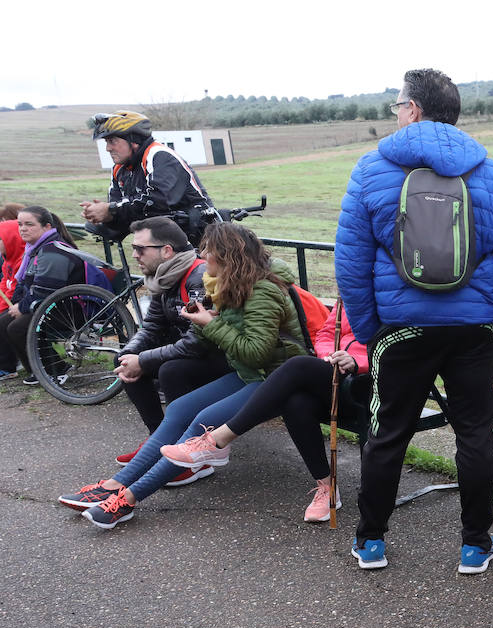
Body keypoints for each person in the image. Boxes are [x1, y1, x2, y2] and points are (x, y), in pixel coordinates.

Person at [336, 68, 493, 572]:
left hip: (400, 329)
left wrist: (369, 330)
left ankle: (371, 541)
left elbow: (351, 262)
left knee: (387, 433)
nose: (397, 113)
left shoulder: (371, 170)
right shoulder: (492, 174)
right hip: (476, 332)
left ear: (415, 109)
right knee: (476, 434)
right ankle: (474, 545)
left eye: (398, 105)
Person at [58, 222, 307, 528]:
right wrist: (200, 322)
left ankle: (128, 500)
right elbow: (206, 340)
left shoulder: (263, 291)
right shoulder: (224, 285)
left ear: (227, 256)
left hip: (275, 379)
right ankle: (114, 484)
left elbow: (256, 352)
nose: (203, 256)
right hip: (249, 374)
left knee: (200, 422)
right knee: (178, 409)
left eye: (208, 251)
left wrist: (210, 324)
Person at [159, 303, 367, 523]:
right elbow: (326, 333)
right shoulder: (349, 293)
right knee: (295, 402)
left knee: (297, 366)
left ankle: (217, 440)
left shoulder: (388, 294)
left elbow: (394, 349)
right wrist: (331, 355)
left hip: (368, 382)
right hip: (336, 373)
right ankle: (327, 487)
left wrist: (356, 362)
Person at [113, 216, 231, 483]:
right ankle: (160, 442)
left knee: (171, 370)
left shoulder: (198, 277)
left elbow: (199, 342)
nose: (135, 255)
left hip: (221, 357)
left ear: (166, 250)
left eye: (140, 249)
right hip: (193, 352)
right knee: (125, 360)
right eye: (133, 248)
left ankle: (197, 457)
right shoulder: (165, 277)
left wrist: (143, 360)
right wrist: (130, 354)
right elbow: (151, 327)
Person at [0, 206, 101, 385]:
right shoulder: (35, 249)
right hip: (51, 305)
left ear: (47, 227)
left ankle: (57, 370)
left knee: (18, 327)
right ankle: (37, 368)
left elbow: (45, 291)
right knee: (5, 321)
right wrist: (17, 303)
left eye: (29, 224)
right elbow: (24, 284)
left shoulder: (53, 251)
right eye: (20, 224)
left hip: (69, 309)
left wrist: (22, 308)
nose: (23, 229)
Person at [80, 111, 215, 243]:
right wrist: (103, 214)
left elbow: (157, 202)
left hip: (198, 237)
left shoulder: (159, 156)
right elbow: (123, 209)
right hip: (160, 239)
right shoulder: (119, 168)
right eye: (106, 142)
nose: (108, 148)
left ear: (133, 140)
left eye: (112, 141)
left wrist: (111, 209)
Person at [0, 203, 25, 379]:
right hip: (11, 303)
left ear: (9, 238)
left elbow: (17, 290)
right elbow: (4, 284)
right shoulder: (7, 260)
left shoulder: (22, 261)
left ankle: (7, 367)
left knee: (3, 321)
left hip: (21, 305)